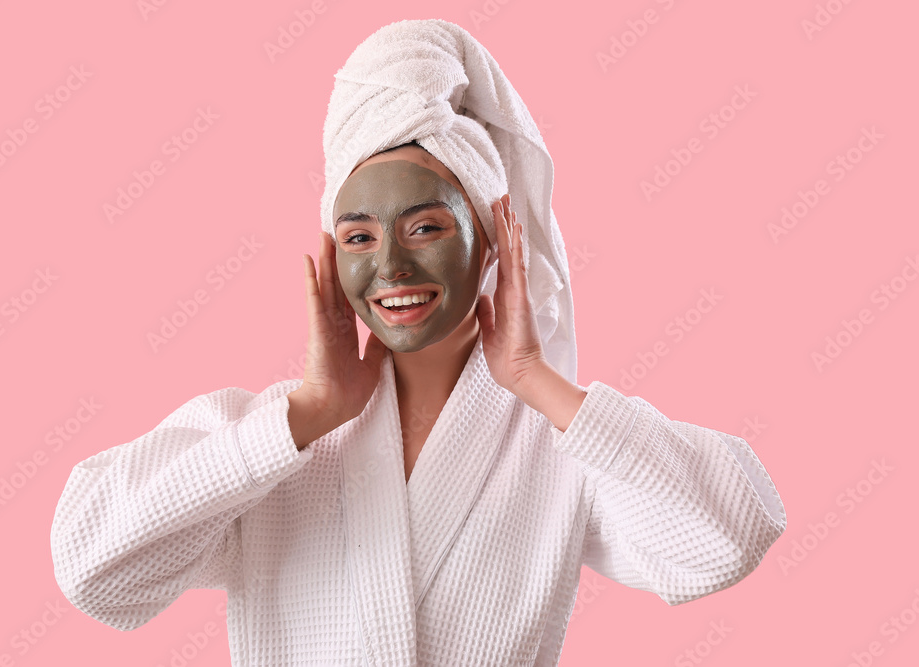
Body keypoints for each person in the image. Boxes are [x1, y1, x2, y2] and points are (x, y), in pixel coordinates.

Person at [50, 19, 786, 667]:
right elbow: (92, 568)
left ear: (494, 238)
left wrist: (536, 379)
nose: (392, 266)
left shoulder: (561, 448)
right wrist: (305, 414)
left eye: (426, 227)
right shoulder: (271, 443)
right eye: (359, 236)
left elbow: (730, 536)